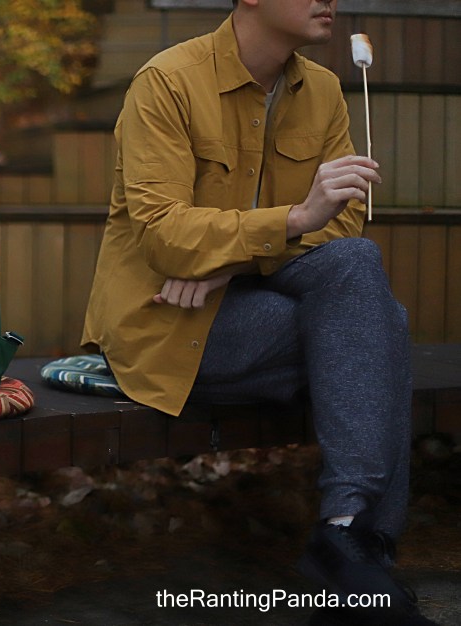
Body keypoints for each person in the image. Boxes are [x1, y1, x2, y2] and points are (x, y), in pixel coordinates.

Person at [81, 1, 436, 624]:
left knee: (357, 270)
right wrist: (292, 221)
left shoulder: (322, 90)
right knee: (383, 326)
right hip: (172, 324)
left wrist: (233, 261)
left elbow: (345, 223)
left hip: (255, 298)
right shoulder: (166, 82)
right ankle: (361, 553)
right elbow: (164, 236)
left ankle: (346, 530)